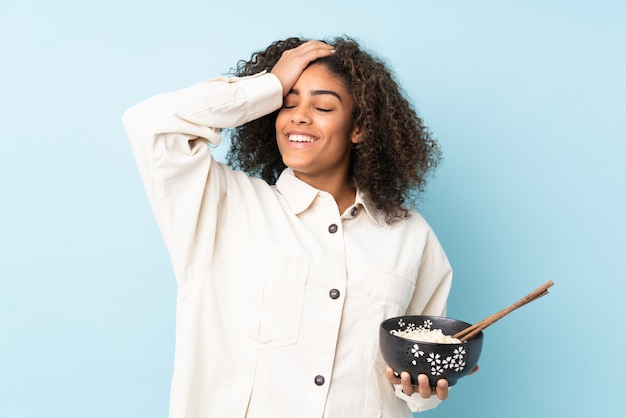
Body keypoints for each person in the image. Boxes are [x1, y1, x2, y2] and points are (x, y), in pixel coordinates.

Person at [124, 36, 462, 418]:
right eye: (287, 103)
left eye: (322, 106)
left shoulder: (411, 236)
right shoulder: (221, 206)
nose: (298, 116)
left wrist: (424, 387)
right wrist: (267, 86)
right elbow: (149, 124)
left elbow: (421, 381)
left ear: (359, 128)